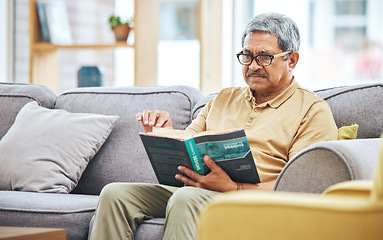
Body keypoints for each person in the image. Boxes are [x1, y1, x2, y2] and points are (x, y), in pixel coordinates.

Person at [90, 12, 338, 240]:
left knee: (187, 198)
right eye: (247, 56)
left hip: (254, 199)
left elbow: (303, 186)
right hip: (198, 186)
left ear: (291, 59)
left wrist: (236, 188)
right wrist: (165, 132)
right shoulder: (223, 98)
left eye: (264, 57)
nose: (252, 66)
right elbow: (189, 141)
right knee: (114, 194)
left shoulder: (312, 110)